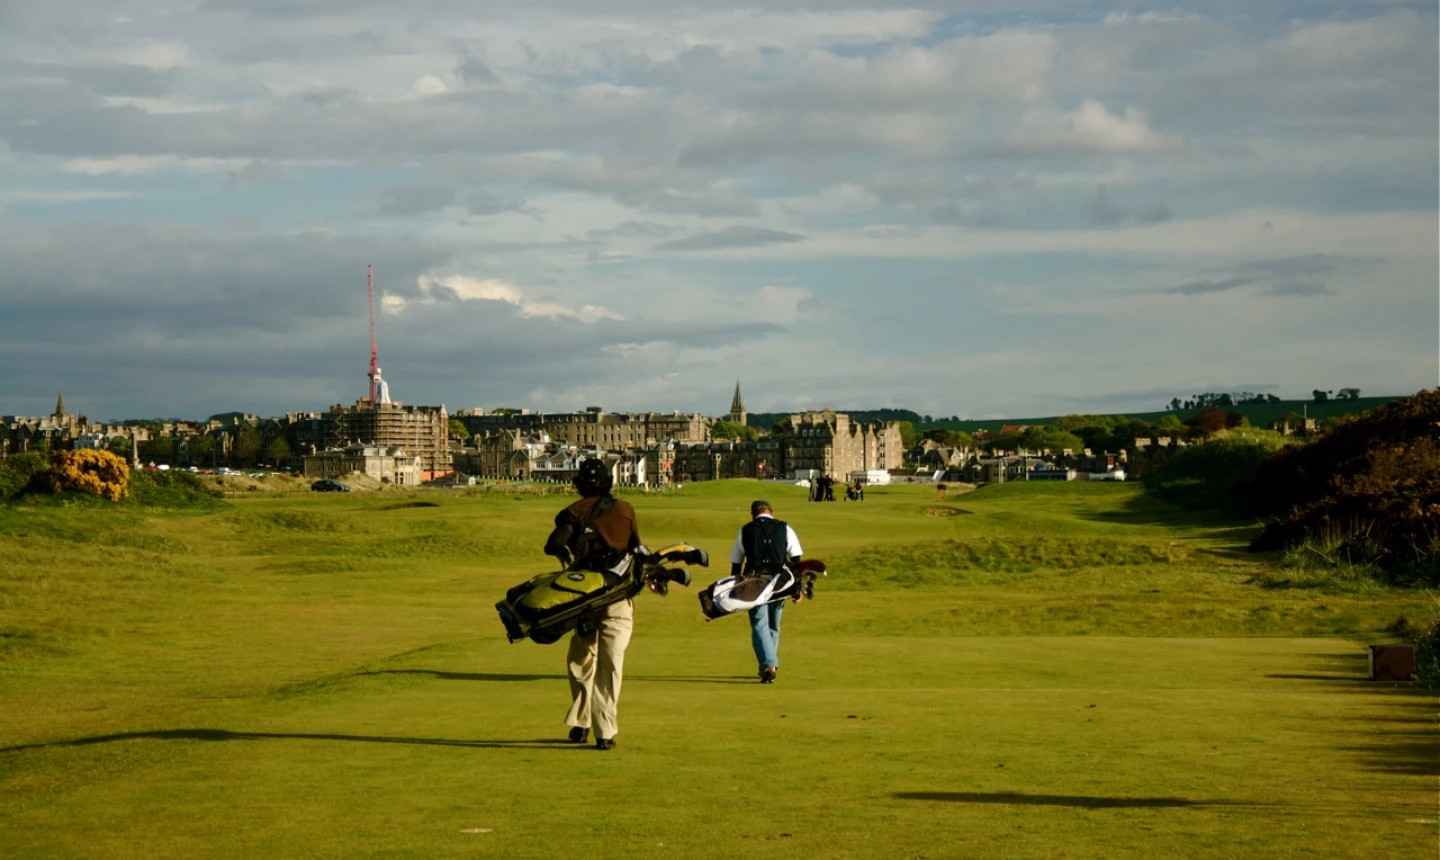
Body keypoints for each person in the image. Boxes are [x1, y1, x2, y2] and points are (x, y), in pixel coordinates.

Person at [543, 458, 642, 750]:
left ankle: (582, 720)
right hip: (618, 595)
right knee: (611, 665)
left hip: (584, 597)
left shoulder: (573, 512)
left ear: (580, 484)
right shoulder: (625, 509)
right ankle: (605, 731)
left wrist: (566, 553)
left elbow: (553, 543)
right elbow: (636, 548)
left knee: (581, 660)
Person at [728, 500, 804, 683]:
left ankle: (768, 665)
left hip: (754, 585)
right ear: (771, 512)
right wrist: (797, 589)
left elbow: (736, 564)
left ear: (753, 514)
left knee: (759, 624)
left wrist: (734, 591)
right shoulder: (785, 528)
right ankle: (769, 666)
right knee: (773, 626)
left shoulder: (745, 530)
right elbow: (796, 560)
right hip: (780, 584)